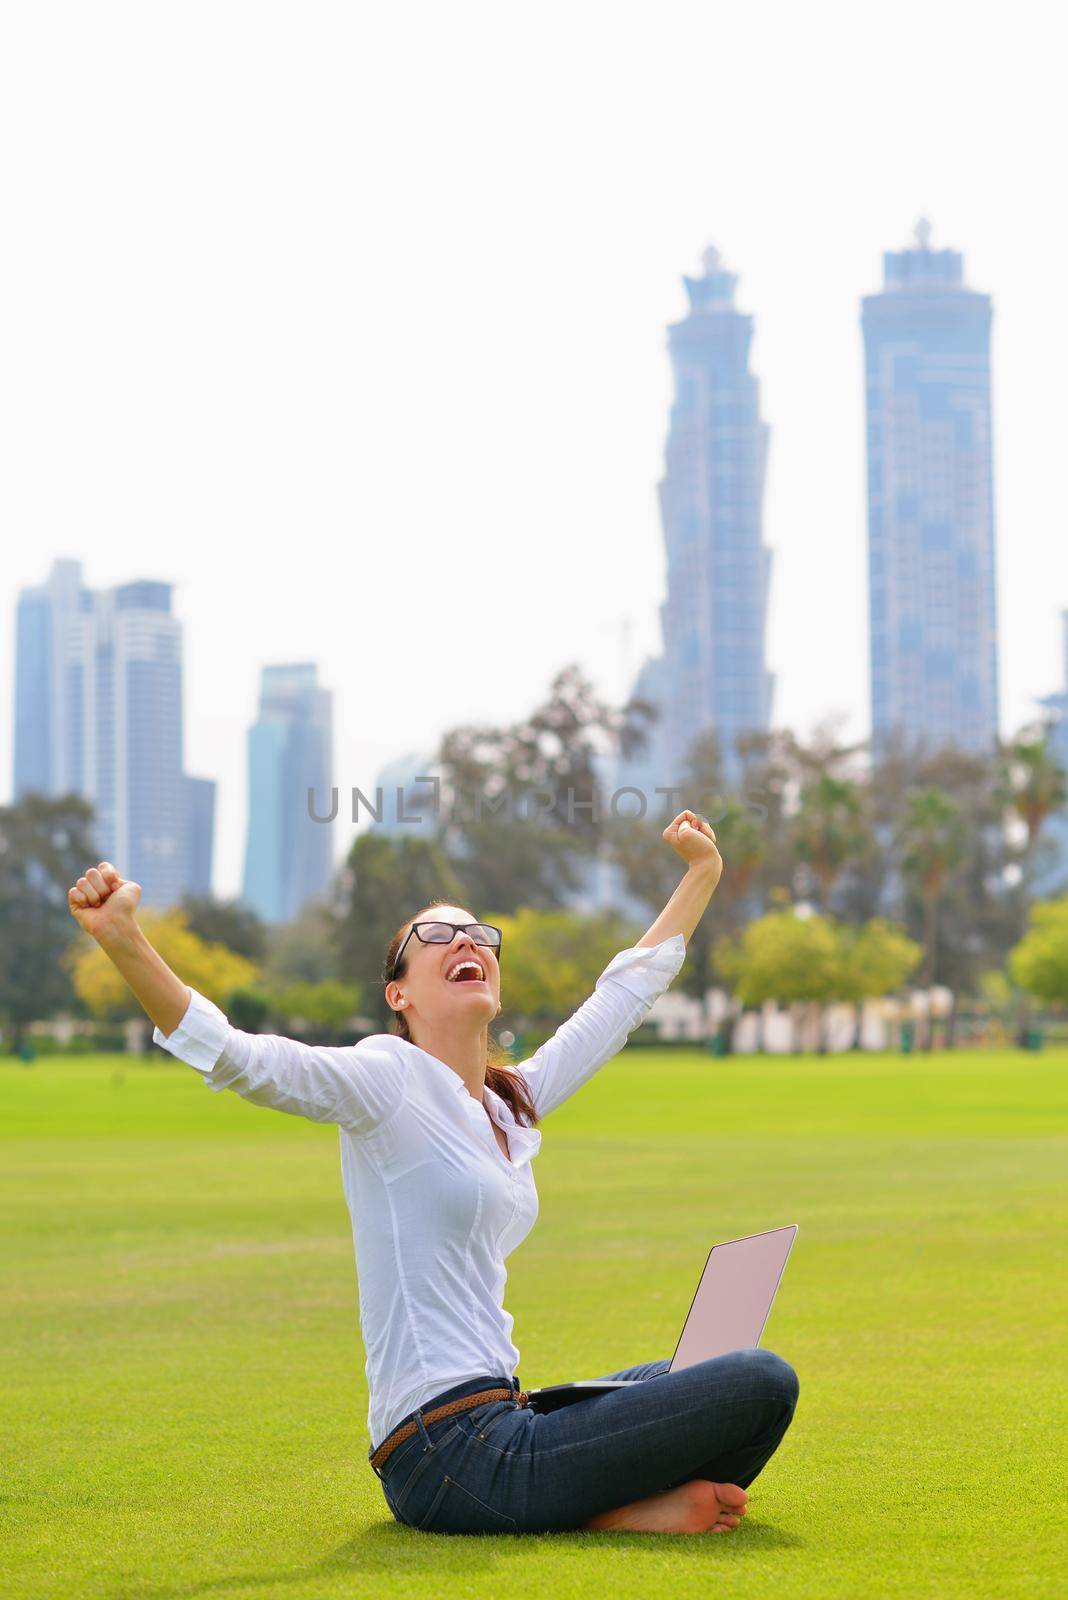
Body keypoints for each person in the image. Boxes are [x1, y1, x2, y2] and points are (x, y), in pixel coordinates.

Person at [67, 809, 798, 1536]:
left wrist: (703, 875)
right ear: (400, 995)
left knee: (702, 1369)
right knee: (760, 1380)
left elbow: (622, 999)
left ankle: (614, 1506)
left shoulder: (509, 1105)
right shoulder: (387, 1079)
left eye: (480, 934)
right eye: (437, 935)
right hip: (446, 1449)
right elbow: (241, 1059)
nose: (465, 940)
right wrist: (125, 941)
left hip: (508, 1413)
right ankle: (615, 1512)